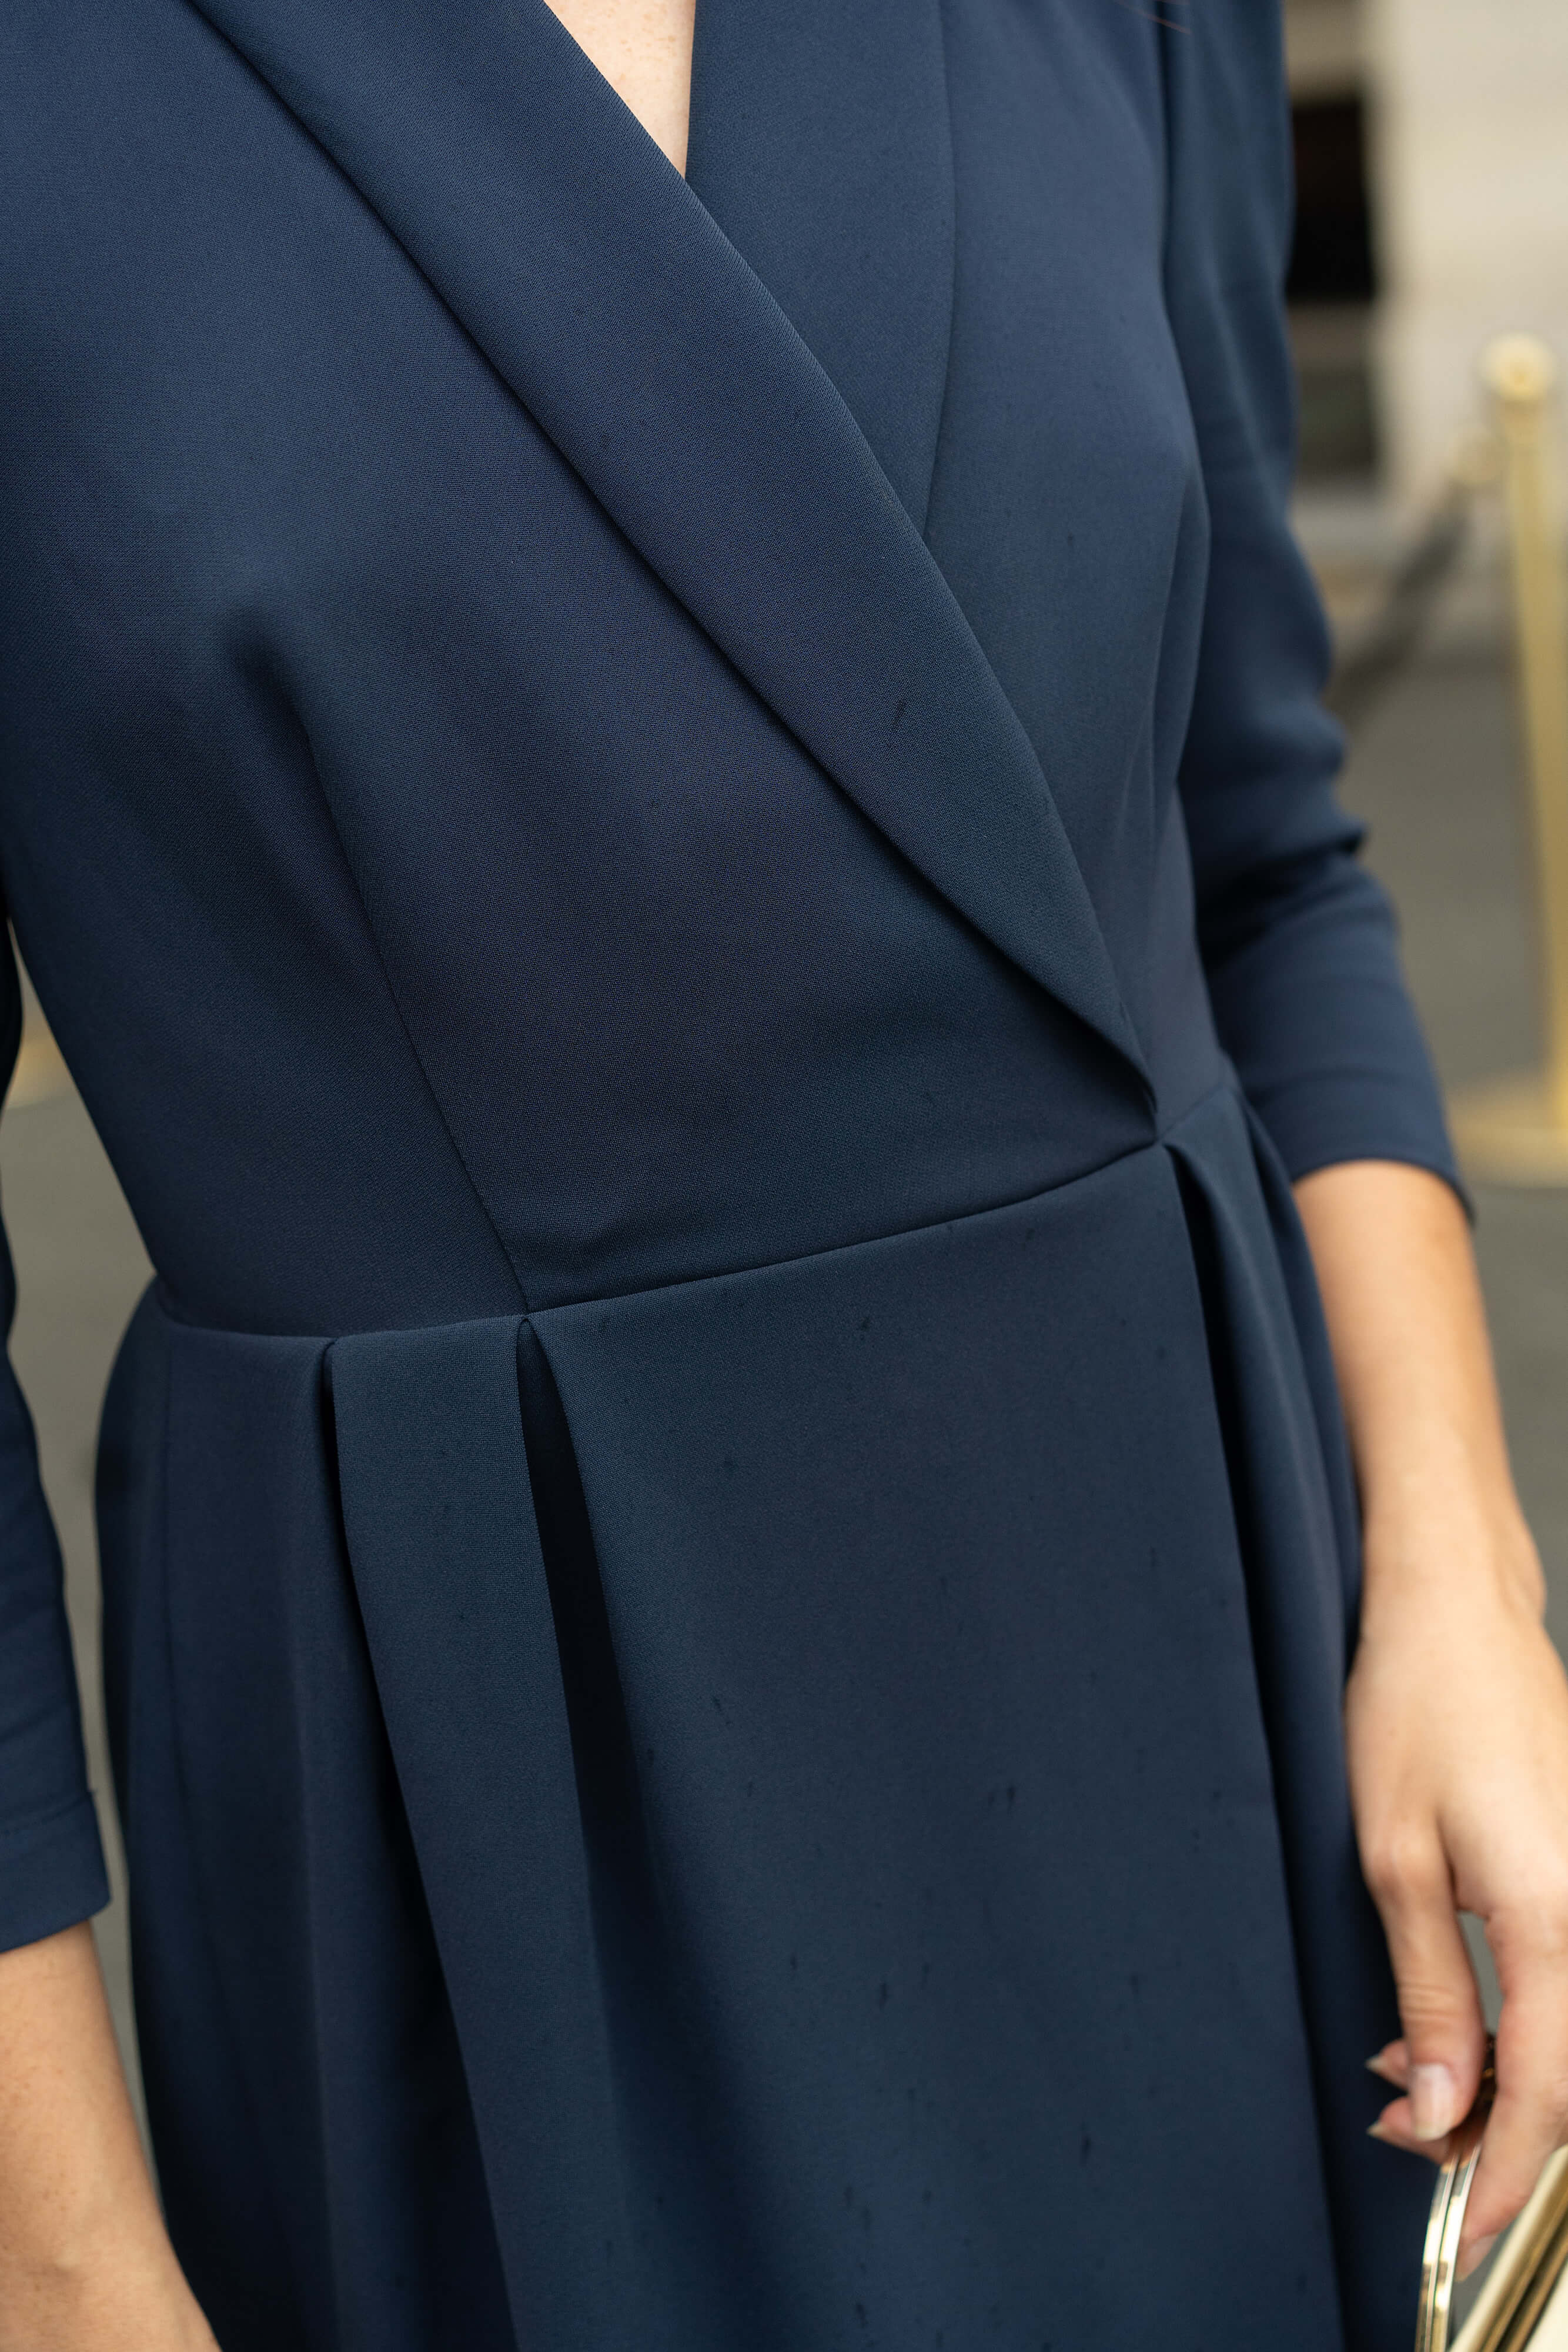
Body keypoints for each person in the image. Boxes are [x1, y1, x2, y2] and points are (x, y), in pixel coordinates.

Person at [2, 1, 1567, 2346]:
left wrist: (1457, 1579)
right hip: (497, 1817)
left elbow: (1258, 847)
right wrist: (57, 2261)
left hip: (1210, 1720)